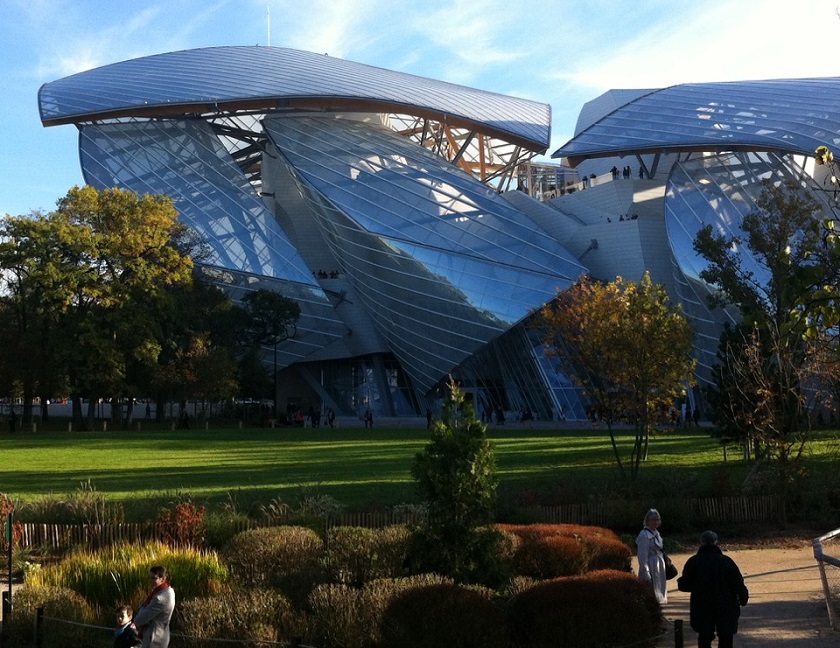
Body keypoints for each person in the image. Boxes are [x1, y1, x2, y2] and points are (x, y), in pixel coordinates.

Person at [678, 531, 749, 648]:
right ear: (716, 542)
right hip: (725, 603)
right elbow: (738, 582)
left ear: (702, 542)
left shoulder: (694, 561)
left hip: (702, 604)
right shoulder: (726, 561)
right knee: (726, 638)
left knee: (704, 637)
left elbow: (684, 585)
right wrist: (743, 597)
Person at [134, 565, 175, 648]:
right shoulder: (168, 591)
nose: (150, 581)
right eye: (150, 578)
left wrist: (133, 622)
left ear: (162, 579)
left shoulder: (160, 598)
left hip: (154, 639)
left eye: (154, 578)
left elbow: (141, 619)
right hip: (160, 635)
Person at [636, 508, 668, 603]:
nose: (656, 522)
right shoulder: (644, 535)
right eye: (653, 519)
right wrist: (646, 573)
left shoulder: (657, 533)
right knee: (651, 592)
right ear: (647, 520)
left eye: (657, 519)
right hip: (650, 565)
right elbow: (642, 556)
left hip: (659, 565)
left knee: (659, 591)